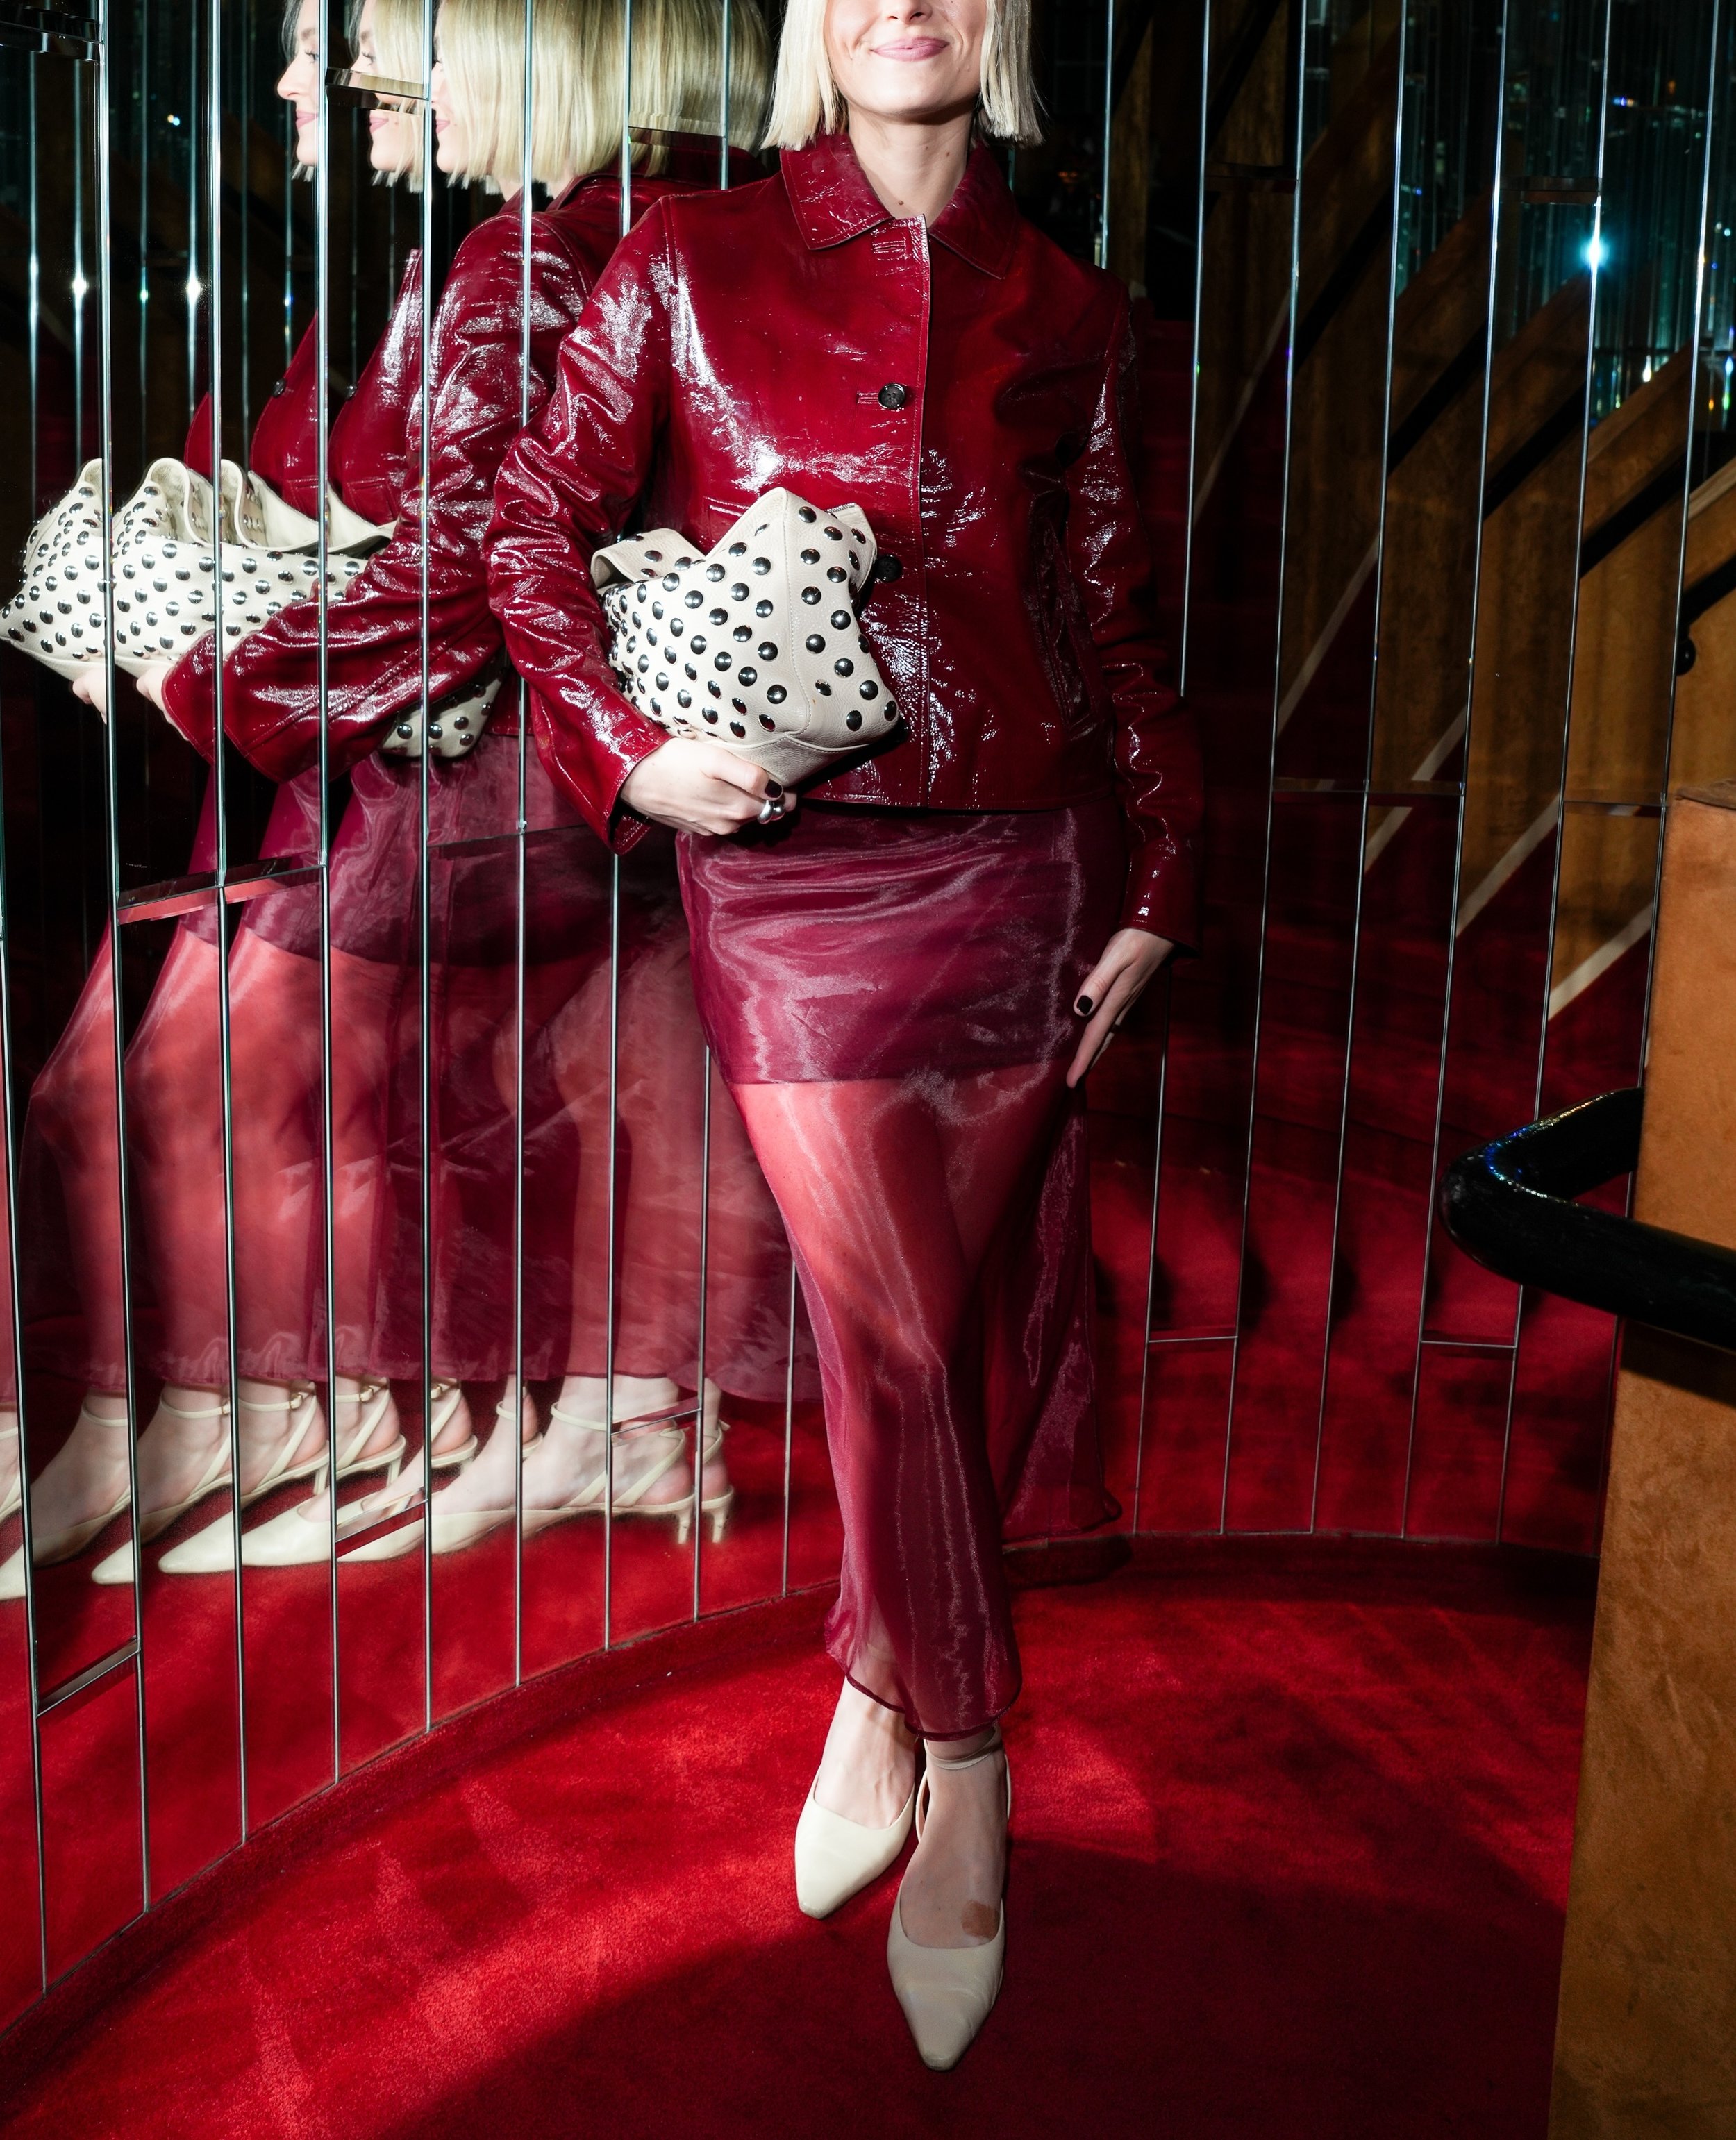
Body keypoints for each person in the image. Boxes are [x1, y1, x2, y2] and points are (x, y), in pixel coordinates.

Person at [485, 0, 1201, 2067]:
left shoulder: (1067, 303)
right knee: (885, 1331)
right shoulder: (683, 261)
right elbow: (533, 524)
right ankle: (970, 1766)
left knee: (944, 1338)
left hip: (1023, 871)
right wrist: (625, 750)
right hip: (790, 882)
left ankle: (874, 1691)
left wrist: (1162, 873)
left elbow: (1110, 614)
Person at [151, 0, 776, 1568]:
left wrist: (204, 671)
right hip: (618, 744)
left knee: (249, 1077)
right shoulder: (665, 217)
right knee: (618, 1070)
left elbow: (465, 567)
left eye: (369, 48)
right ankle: (599, 1423)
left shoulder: (533, 253)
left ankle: (364, 1405)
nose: (336, 79)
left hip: (509, 757)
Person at [1, 0, 433, 1600]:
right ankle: (180, 1412)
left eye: (332, 46)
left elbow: (412, 583)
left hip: (375, 784)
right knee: (93, 1087)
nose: (289, 80)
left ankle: (265, 1414)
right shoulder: (355, 295)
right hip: (280, 772)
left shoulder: (472, 287)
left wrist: (193, 627)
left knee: (169, 1085)